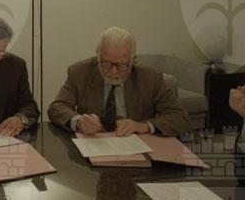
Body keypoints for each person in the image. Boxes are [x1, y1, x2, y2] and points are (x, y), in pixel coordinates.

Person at [48, 26, 192, 136]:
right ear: (98, 56)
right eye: (106, 64)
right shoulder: (79, 72)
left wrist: (144, 126)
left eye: (122, 65)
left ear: (133, 60)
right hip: (94, 145)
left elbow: (180, 118)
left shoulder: (150, 77)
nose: (114, 72)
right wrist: (78, 121)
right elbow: (57, 107)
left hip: (136, 146)